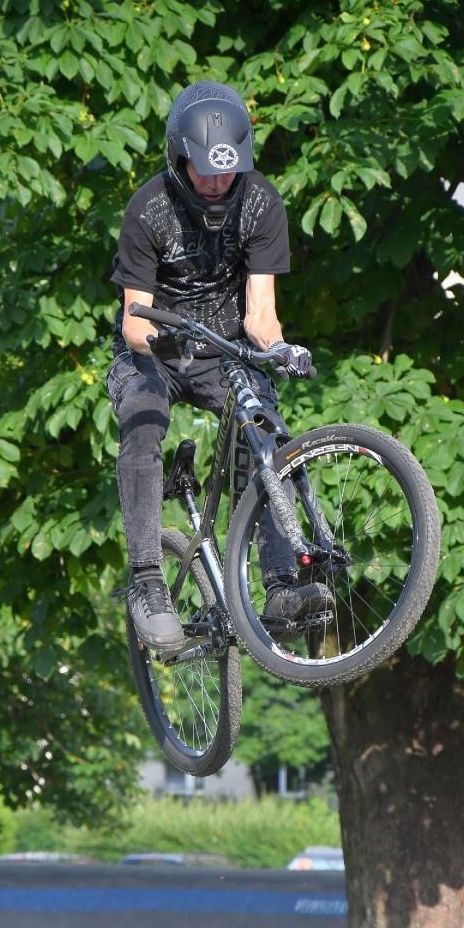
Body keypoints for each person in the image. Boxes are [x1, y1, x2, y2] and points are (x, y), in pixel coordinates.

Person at [107, 80, 331, 651]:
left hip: (223, 346)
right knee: (142, 420)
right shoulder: (149, 208)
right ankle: (148, 582)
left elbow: (260, 315)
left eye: (227, 172)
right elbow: (134, 319)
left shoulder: (260, 202)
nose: (217, 183)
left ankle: (280, 584)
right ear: (178, 158)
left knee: (264, 427)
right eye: (205, 171)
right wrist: (161, 344)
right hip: (154, 345)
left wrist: (278, 350)